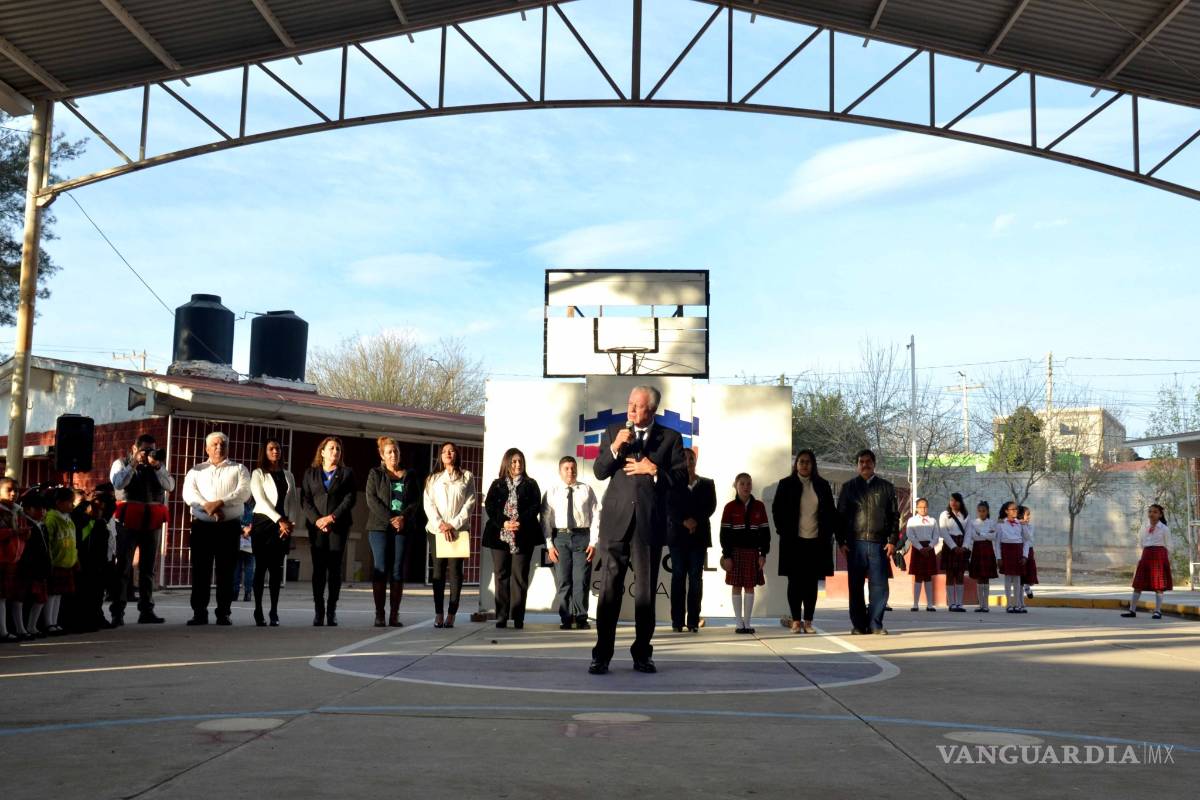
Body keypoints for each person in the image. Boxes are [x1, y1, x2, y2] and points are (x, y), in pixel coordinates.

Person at [588, 385, 687, 676]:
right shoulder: (613, 431)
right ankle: (601, 655)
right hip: (616, 523)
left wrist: (654, 470)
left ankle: (642, 653)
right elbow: (599, 471)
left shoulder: (670, 438)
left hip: (648, 523)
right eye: (630, 403)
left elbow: (680, 478)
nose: (631, 410)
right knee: (609, 591)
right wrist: (616, 447)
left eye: (637, 406)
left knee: (645, 593)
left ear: (652, 410)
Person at [181, 431, 251, 626]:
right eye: (215, 444)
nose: (219, 447)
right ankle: (199, 612)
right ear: (207, 448)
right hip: (202, 527)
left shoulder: (239, 469)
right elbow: (188, 494)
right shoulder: (196, 470)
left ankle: (223, 613)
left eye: (223, 444)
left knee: (226, 572)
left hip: (229, 528)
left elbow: (243, 493)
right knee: (200, 571)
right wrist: (208, 507)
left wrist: (220, 502)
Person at [109, 433, 174, 624]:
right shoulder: (121, 463)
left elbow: (169, 486)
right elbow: (118, 483)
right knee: (123, 567)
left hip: (152, 520)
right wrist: (133, 464)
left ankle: (146, 610)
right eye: (145, 450)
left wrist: (157, 466)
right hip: (128, 520)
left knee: (148, 569)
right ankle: (117, 612)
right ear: (134, 449)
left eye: (151, 449)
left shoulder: (157, 466)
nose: (148, 453)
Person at [835, 448, 899, 636]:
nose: (865, 465)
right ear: (857, 465)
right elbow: (840, 517)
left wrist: (893, 540)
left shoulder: (886, 488)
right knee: (855, 587)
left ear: (874, 464)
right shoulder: (848, 488)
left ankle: (875, 624)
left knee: (879, 586)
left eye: (868, 461)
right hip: (855, 544)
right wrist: (841, 541)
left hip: (879, 544)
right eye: (861, 462)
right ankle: (858, 625)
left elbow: (894, 516)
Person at [771, 449, 835, 634]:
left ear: (813, 464)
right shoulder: (786, 484)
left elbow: (830, 512)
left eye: (808, 461)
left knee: (810, 584)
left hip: (816, 542)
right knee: (795, 583)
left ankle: (808, 621)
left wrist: (828, 533)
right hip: (793, 542)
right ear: (796, 464)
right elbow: (777, 510)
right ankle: (796, 621)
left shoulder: (822, 485)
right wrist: (782, 530)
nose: (804, 464)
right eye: (801, 461)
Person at [365, 437, 421, 628]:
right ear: (382, 455)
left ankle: (394, 614)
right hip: (379, 528)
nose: (393, 455)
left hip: (403, 528)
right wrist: (391, 517)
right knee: (380, 568)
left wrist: (403, 518)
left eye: (396, 451)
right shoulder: (375, 474)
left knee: (397, 570)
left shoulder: (410, 474)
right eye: (389, 452)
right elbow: (371, 499)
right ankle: (379, 614)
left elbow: (415, 501)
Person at [301, 436, 356, 627]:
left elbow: (349, 499)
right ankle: (319, 611)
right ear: (322, 452)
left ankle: (331, 610)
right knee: (319, 570)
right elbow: (305, 500)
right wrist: (317, 520)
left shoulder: (347, 473)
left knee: (334, 570)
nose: (335, 452)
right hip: (316, 528)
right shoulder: (310, 473)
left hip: (337, 527)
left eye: (338, 449)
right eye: (331, 448)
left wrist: (332, 517)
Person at [484, 448, 542, 629]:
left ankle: (518, 617)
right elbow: (490, 507)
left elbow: (535, 506)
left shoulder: (531, 484)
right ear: (507, 463)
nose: (517, 465)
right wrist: (504, 523)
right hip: (499, 535)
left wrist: (519, 522)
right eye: (514, 461)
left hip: (523, 535)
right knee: (501, 575)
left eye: (520, 461)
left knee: (519, 577)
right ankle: (501, 616)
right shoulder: (497, 484)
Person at [542, 455, 600, 631]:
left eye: (573, 468)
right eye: (566, 468)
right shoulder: (552, 491)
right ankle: (566, 617)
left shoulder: (586, 489)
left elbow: (597, 515)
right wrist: (549, 545)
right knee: (564, 580)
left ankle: (581, 617)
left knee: (581, 579)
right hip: (561, 538)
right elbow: (545, 520)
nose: (570, 471)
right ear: (560, 471)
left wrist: (593, 542)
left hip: (582, 537)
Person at [423, 441, 475, 629]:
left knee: (455, 573)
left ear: (457, 454)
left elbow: (470, 503)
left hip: (458, 531)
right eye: (444, 451)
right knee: (438, 572)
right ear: (440, 456)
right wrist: (441, 525)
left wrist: (453, 525)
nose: (448, 453)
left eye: (451, 450)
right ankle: (439, 613)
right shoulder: (433, 478)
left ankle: (452, 614)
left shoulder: (467, 476)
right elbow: (428, 504)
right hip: (437, 530)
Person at [249, 439, 299, 627]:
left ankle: (274, 611)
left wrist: (290, 522)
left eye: (278, 448)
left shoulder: (288, 475)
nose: (275, 451)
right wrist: (280, 520)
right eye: (271, 449)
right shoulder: (258, 473)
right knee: (261, 568)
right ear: (265, 452)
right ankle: (259, 610)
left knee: (276, 570)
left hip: (283, 526)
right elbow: (260, 500)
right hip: (263, 524)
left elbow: (293, 500)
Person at [669, 448, 717, 633]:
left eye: (691, 458)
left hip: (699, 536)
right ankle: (677, 621)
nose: (688, 461)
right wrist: (684, 521)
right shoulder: (672, 483)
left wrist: (694, 520)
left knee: (696, 579)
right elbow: (669, 506)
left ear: (695, 461)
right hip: (678, 537)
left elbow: (710, 506)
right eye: (684, 458)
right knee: (678, 577)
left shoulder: (707, 483)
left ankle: (693, 621)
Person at [719, 473, 769, 634]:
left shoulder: (759, 506)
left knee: (749, 586)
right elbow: (724, 534)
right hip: (734, 552)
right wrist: (727, 555)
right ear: (736, 486)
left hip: (753, 552)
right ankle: (738, 623)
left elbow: (765, 533)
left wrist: (763, 554)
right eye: (742, 484)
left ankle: (747, 622)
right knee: (736, 586)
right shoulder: (729, 507)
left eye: (748, 483)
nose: (746, 487)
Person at [1121, 504, 1173, 620]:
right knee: (1138, 584)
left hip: (1159, 557)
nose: (1151, 514)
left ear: (1160, 514)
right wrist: (1142, 556)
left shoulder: (1164, 529)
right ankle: (1132, 610)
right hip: (1146, 555)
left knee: (1159, 586)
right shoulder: (1144, 526)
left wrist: (1166, 561)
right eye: (1150, 512)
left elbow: (1169, 546)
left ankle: (1157, 611)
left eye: (1155, 512)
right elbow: (1140, 542)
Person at [44, 487, 79, 636]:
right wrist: (50, 560)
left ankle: (55, 621)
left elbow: (73, 542)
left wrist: (76, 558)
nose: (73, 505)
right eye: (70, 502)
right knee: (51, 594)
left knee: (59, 595)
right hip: (56, 563)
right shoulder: (51, 519)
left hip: (67, 562)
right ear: (59, 503)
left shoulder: (69, 520)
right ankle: (48, 623)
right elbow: (49, 542)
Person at [16, 487, 50, 637]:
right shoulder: (25, 525)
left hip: (39, 568)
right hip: (27, 567)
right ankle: (21, 628)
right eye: (39, 509)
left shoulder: (40, 526)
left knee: (40, 598)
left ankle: (32, 626)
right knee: (21, 599)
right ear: (28, 509)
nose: (43, 512)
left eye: (44, 509)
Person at [0, 477, 29, 641]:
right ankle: (3, 632)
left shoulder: (18, 511)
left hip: (14, 559)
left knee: (7, 596)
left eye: (16, 490)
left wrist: (25, 534)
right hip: (1, 559)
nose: (13, 494)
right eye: (9, 490)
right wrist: (14, 532)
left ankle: (7, 629)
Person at [938, 492, 972, 612]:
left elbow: (968, 532)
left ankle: (959, 603)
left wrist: (964, 546)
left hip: (962, 545)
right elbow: (943, 532)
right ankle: (951, 603)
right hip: (949, 546)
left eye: (956, 500)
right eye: (951, 500)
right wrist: (953, 546)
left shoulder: (966, 515)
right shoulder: (944, 515)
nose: (953, 502)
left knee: (960, 575)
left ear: (960, 502)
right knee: (950, 575)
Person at [996, 500, 1030, 614]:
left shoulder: (1021, 524)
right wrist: (998, 557)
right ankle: (1009, 604)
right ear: (1006, 511)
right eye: (1013, 509)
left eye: (1016, 509)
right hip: (1006, 551)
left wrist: (1025, 555)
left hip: (1018, 551)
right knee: (1008, 579)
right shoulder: (1001, 523)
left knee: (1017, 579)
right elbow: (997, 542)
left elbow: (1027, 540)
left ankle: (1016, 604)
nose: (1015, 511)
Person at [905, 498, 938, 612]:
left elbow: (936, 536)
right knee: (918, 576)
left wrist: (930, 546)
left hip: (929, 548)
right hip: (918, 549)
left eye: (925, 507)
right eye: (921, 507)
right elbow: (910, 535)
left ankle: (929, 604)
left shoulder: (932, 520)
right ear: (917, 508)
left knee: (928, 577)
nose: (923, 509)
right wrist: (920, 548)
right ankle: (915, 604)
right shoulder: (912, 520)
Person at [968, 501, 998, 612]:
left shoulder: (992, 522)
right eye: (979, 511)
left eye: (984, 511)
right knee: (979, 578)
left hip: (988, 551)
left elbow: (993, 536)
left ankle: (986, 605)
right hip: (977, 551)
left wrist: (981, 534)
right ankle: (981, 604)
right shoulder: (973, 523)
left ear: (988, 511)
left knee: (986, 578)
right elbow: (973, 537)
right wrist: (986, 534)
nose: (981, 513)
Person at [232, 501, 256, 603]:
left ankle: (235, 593)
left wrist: (243, 529)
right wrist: (249, 530)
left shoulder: (238, 504)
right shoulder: (257, 504)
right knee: (249, 567)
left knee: (237, 567)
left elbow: (234, 519)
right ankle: (248, 593)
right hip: (251, 538)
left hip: (239, 537)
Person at [1019, 506, 1039, 599]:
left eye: (1029, 515)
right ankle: (1023, 592)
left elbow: (1028, 537)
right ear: (1021, 515)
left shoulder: (1030, 526)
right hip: (1020, 550)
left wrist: (1024, 525)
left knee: (1029, 572)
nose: (1029, 517)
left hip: (1029, 551)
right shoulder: (1017, 525)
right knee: (1021, 573)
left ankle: (1027, 587)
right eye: (1027, 515)